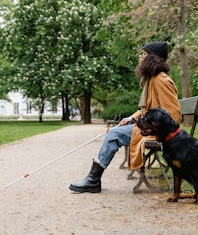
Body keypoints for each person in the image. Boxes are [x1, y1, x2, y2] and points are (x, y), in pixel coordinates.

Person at [69, 41, 182, 193]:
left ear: (153, 58)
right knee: (115, 131)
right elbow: (147, 109)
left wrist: (150, 129)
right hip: (150, 128)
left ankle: (93, 180)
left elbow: (173, 116)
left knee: (114, 134)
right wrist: (131, 118)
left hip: (157, 134)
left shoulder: (161, 81)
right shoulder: (152, 80)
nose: (140, 57)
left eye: (144, 54)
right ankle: (93, 179)